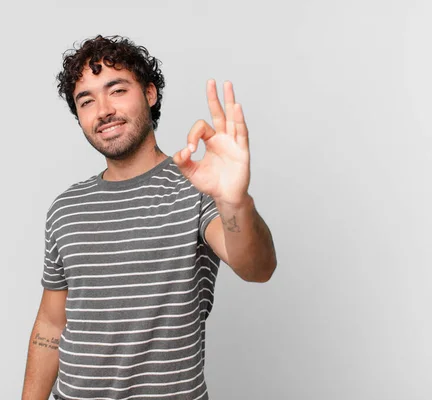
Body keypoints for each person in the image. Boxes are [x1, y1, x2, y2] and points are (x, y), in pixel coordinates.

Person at [21, 34, 277, 400]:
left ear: (150, 94)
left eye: (117, 90)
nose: (103, 109)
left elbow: (258, 267)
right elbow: (51, 322)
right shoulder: (66, 207)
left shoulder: (196, 185)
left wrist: (234, 201)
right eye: (86, 100)